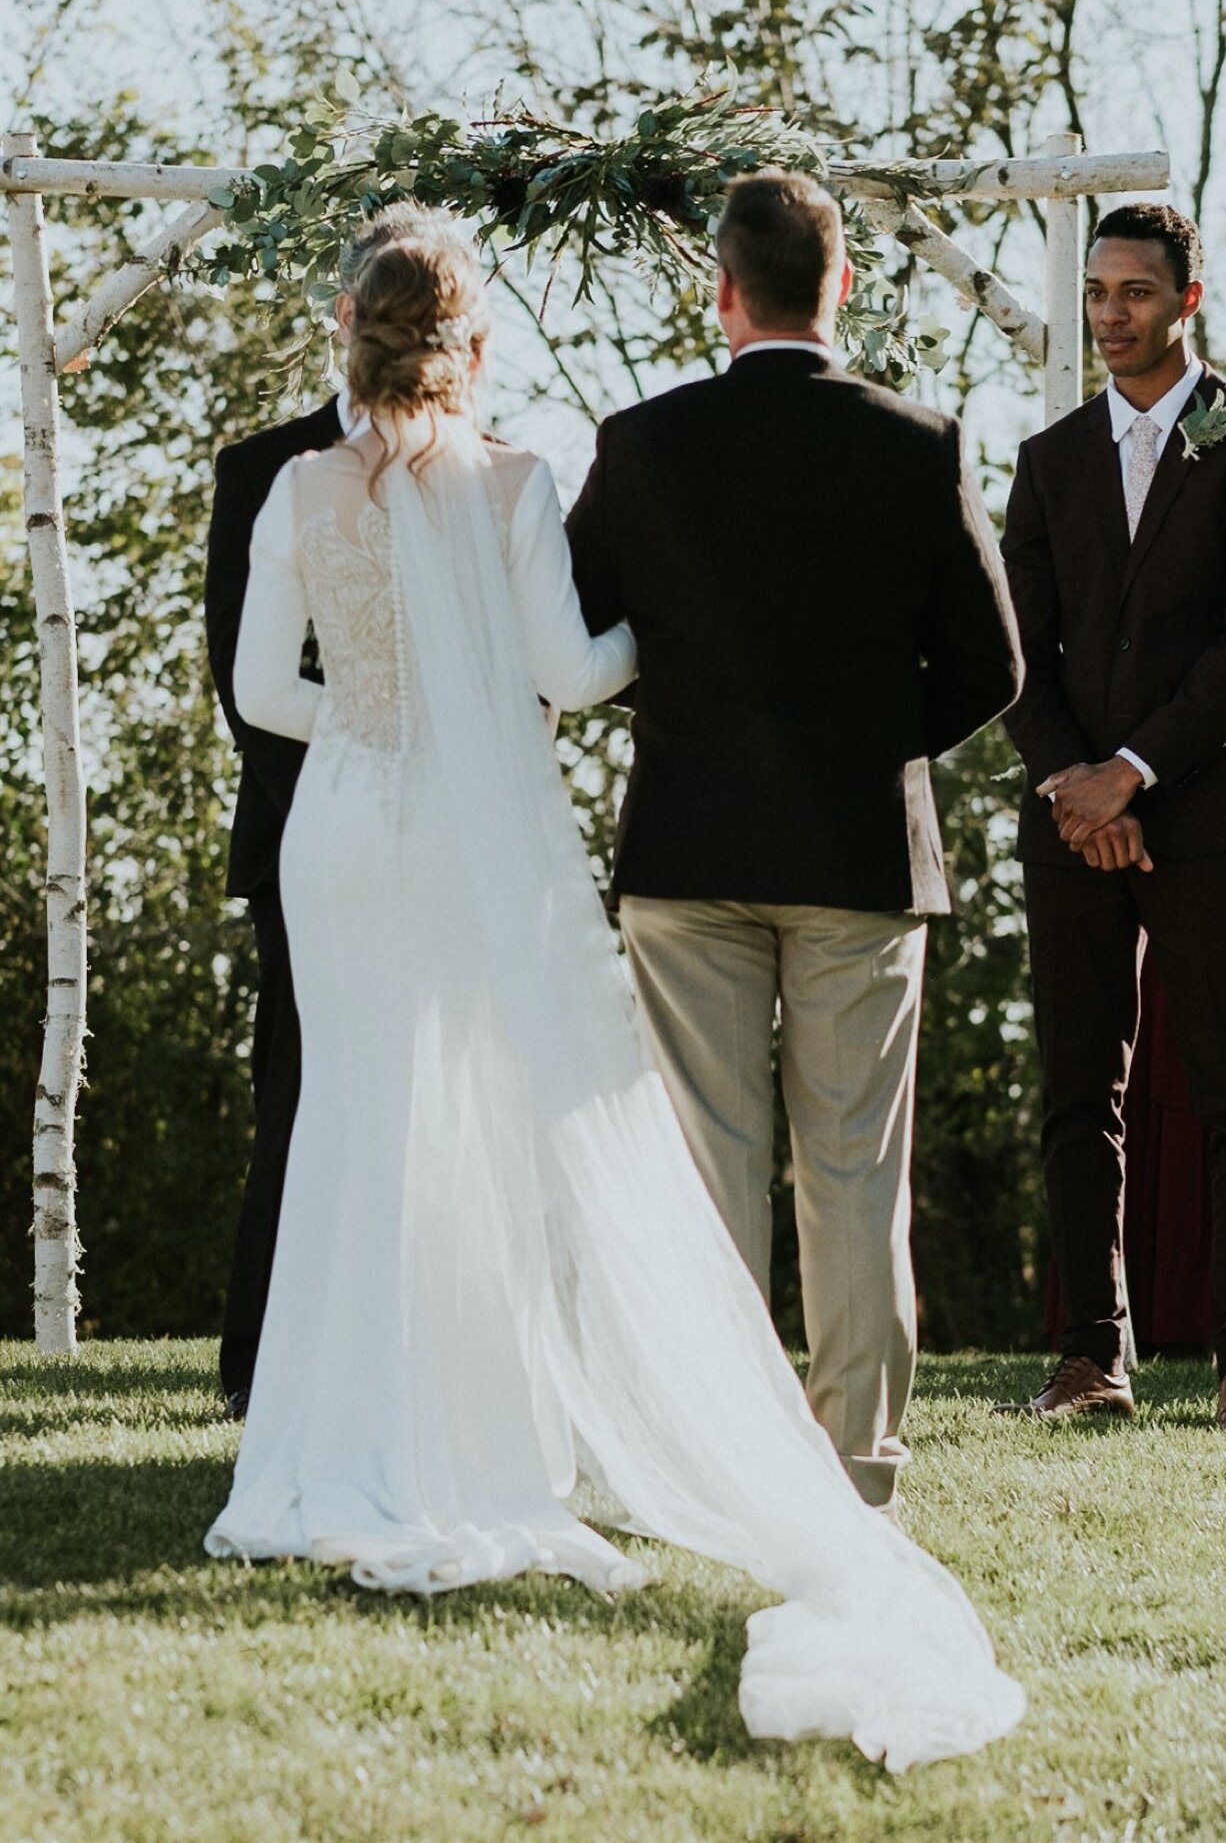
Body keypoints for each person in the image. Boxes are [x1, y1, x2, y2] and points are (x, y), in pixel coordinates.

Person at [205, 222, 1025, 1770]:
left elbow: (260, 693)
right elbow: (576, 674)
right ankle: (610, 1449)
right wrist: (748, 669)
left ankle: (324, 1448)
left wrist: (382, 714)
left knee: (358, 1122)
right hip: (511, 839)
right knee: (514, 1134)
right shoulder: (519, 478)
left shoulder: (303, 488)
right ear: (476, 341)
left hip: (348, 832)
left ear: (350, 332)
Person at [565, 169, 1022, 1510]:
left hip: (690, 848)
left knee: (705, 1159)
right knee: (852, 1167)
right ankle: (859, 1468)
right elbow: (992, 668)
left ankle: (711, 1454)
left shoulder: (642, 444)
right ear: (841, 288)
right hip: (861, 858)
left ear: (723, 293)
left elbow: (575, 646)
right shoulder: (917, 442)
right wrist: (874, 739)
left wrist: (682, 707)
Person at [997, 202, 1226, 1435]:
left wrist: (1133, 771)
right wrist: (1079, 782)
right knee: (1081, 1091)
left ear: (1187, 298)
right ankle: (1091, 1356)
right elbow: (1017, 648)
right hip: (1074, 820)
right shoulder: (1048, 457)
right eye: (1097, 292)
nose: (1110, 313)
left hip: (1209, 819)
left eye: (1134, 291)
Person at [205, 199, 455, 1418]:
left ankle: (422, 1345)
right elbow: (242, 686)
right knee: (299, 1091)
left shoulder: (481, 468)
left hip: (455, 829)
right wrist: (386, 728)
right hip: (314, 831)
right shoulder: (262, 469)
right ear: (343, 311)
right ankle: (260, 1362)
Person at [1041, 676, 1226, 1353]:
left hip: (1212, 863)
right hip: (1084, 839)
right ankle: (1097, 1343)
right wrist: (1092, 794)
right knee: (1090, 1098)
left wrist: (1132, 778)